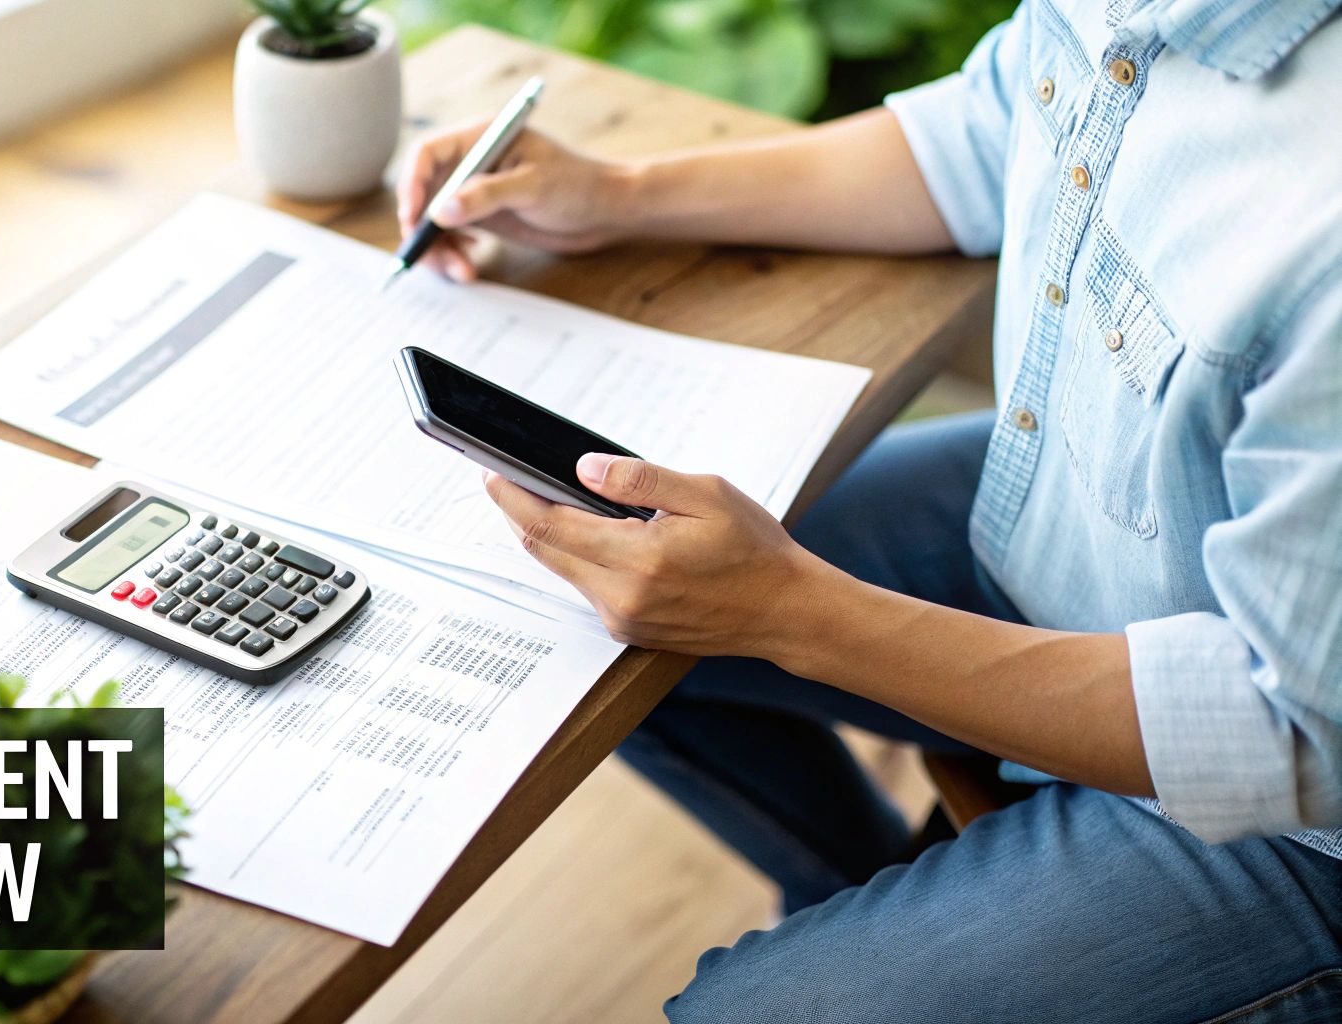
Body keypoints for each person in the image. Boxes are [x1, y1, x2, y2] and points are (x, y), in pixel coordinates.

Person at [397, 1, 1342, 1020]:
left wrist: (789, 613)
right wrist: (616, 192)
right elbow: (992, 125)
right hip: (1096, 512)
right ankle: (868, 889)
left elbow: (1291, 730)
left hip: (1292, 814)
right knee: (583, 590)